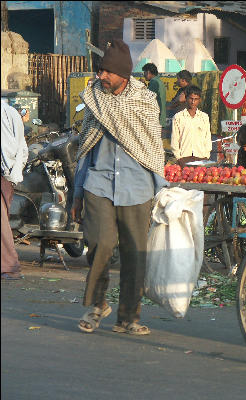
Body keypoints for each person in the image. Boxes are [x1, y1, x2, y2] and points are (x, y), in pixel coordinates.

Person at [72, 39, 167, 336]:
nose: (101, 77)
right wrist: (76, 194)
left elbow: (152, 145)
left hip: (137, 186)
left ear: (123, 75)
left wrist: (160, 191)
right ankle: (97, 304)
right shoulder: (95, 99)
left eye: (107, 73)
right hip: (98, 183)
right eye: (100, 71)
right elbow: (85, 147)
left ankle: (128, 317)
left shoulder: (144, 100)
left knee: (134, 253)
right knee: (99, 244)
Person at [1, 101, 29, 280]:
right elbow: (21, 146)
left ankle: (10, 266)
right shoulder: (10, 111)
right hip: (9, 171)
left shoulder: (7, 112)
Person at [170, 85, 211, 167]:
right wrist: (179, 158)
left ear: (199, 100)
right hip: (184, 158)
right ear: (186, 98)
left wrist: (206, 156)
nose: (193, 102)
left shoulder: (204, 117)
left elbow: (207, 139)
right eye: (191, 98)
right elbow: (175, 140)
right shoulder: (178, 117)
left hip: (201, 158)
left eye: (196, 99)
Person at [142, 62, 167, 128]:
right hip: (160, 118)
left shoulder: (154, 82)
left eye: (144, 72)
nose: (144, 75)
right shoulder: (158, 81)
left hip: (156, 119)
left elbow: (146, 98)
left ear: (148, 72)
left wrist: (141, 86)